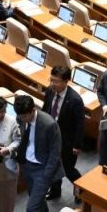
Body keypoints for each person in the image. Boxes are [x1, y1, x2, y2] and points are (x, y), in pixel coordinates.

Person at [14, 94, 62, 212]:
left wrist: (47, 175)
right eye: (20, 116)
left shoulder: (49, 124)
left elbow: (55, 152)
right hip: (27, 165)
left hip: (42, 169)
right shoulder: (21, 118)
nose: (22, 119)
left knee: (31, 208)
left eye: (24, 116)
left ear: (33, 110)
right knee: (38, 202)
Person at [44, 66, 85, 200]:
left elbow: (80, 125)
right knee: (52, 165)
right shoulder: (50, 91)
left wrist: (77, 145)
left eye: (56, 81)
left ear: (66, 81)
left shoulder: (75, 100)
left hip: (67, 141)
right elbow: (45, 110)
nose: (52, 84)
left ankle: (81, 191)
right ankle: (55, 191)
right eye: (51, 80)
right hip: (51, 137)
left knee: (68, 170)